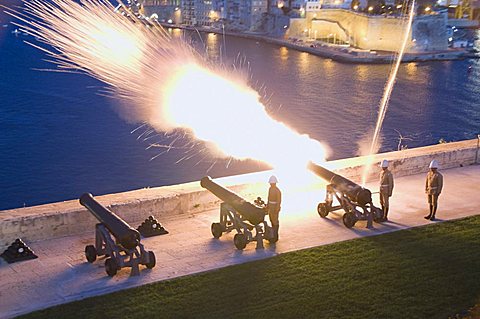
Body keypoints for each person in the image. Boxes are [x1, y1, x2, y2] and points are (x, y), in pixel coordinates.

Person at [267, 175, 282, 242]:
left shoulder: (277, 191)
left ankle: (275, 236)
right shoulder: (270, 189)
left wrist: (277, 208)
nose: (270, 184)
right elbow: (268, 198)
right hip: (270, 207)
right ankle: (272, 235)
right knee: (271, 220)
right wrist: (267, 206)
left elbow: (279, 201)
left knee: (275, 221)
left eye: (271, 183)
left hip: (275, 207)